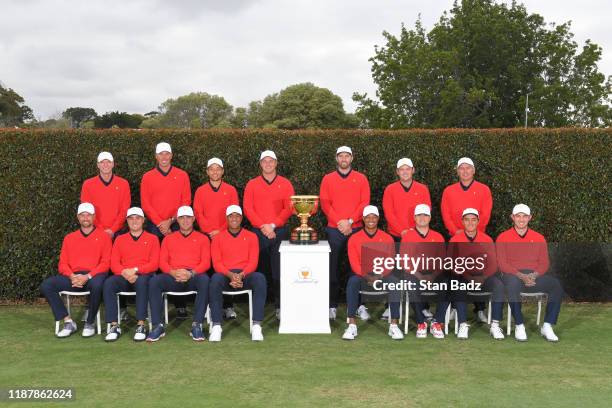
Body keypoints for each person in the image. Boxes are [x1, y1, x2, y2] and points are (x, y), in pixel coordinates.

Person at [40, 203, 111, 338]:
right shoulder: (69, 238)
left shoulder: (104, 237)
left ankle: (90, 322)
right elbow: (63, 264)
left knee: (98, 284)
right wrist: (72, 276)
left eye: (88, 215)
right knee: (47, 285)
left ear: (94, 217)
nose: (85, 218)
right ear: (78, 218)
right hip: (73, 277)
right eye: (82, 215)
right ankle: (68, 321)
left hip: (92, 277)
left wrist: (88, 276)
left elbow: (105, 263)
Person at [496, 204, 563, 342]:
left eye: (525, 216)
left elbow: (544, 263)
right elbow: (502, 264)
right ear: (512, 217)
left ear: (530, 218)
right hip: (513, 276)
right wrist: (521, 276)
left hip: (533, 276)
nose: (521, 219)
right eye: (518, 216)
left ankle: (547, 325)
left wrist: (533, 276)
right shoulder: (503, 237)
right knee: (512, 286)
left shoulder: (539, 238)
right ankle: (519, 325)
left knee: (555, 285)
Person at [140, 142, 192, 318]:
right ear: (156, 156)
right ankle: (155, 307)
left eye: (166, 154)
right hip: (155, 227)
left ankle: (180, 305)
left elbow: (186, 200)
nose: (164, 157)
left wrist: (169, 221)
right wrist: (160, 223)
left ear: (171, 156)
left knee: (178, 262)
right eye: (160, 154)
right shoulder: (147, 177)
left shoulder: (182, 175)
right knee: (155, 265)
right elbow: (145, 204)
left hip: (176, 224)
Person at [320, 146, 370, 320]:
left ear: (351, 158)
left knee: (357, 269)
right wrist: (340, 223)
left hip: (355, 228)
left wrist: (349, 221)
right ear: (336, 158)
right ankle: (331, 305)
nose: (343, 158)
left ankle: (358, 305)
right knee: (332, 269)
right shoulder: (328, 179)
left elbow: (365, 202)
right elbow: (325, 204)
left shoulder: (361, 178)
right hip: (334, 229)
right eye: (340, 155)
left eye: (346, 155)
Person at [146, 206, 211, 342]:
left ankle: (197, 325)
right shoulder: (168, 239)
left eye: (188, 217)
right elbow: (162, 263)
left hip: (193, 276)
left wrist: (190, 273)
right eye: (182, 218)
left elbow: (206, 263)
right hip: (173, 276)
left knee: (205, 280)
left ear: (193, 219)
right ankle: (158, 325)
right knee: (154, 281)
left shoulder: (203, 238)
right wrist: (173, 272)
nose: (185, 221)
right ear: (178, 220)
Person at [243, 150, 294, 318]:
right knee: (260, 272)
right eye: (265, 161)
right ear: (260, 164)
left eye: (271, 161)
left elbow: (289, 208)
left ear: (276, 163)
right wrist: (263, 226)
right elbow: (248, 208)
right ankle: (261, 306)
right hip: (258, 232)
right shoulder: (252, 184)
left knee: (279, 271)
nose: (268, 164)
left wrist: (273, 225)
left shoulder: (285, 183)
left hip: (279, 231)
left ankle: (280, 305)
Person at [441, 157, 493, 323]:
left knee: (478, 271)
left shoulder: (484, 189)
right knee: (456, 272)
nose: (465, 171)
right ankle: (455, 308)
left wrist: (473, 231)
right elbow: (446, 213)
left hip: (477, 238)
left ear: (473, 170)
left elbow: (485, 214)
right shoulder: (449, 190)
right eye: (461, 168)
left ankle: (480, 309)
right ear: (457, 171)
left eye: (468, 168)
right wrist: (457, 232)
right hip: (456, 237)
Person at [382, 157, 432, 320]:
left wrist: (414, 231)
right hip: (396, 236)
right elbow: (389, 213)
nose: (405, 172)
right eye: (401, 169)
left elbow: (426, 211)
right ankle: (391, 307)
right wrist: (402, 231)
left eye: (407, 168)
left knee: (420, 270)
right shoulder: (390, 189)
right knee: (394, 273)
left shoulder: (422, 188)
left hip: (418, 237)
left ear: (413, 170)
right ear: (397, 172)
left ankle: (423, 307)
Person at [342, 205, 402, 340]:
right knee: (352, 282)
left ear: (378, 219)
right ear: (363, 219)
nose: (371, 219)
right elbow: (354, 264)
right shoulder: (354, 238)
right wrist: (367, 276)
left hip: (382, 275)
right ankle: (352, 325)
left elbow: (390, 262)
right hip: (362, 275)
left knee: (395, 283)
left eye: (374, 217)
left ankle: (394, 326)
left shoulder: (387, 238)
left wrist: (379, 275)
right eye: (368, 217)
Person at [209, 205, 266, 342]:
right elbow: (217, 263)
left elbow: (253, 262)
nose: (234, 218)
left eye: (237, 216)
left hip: (245, 275)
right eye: (231, 216)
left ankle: (257, 325)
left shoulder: (252, 236)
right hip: (225, 275)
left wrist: (241, 275)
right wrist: (230, 275)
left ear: (241, 218)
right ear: (227, 219)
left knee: (260, 278)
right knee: (215, 279)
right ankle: (217, 325)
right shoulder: (218, 238)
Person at [103, 207, 160, 342]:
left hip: (144, 275)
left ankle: (141, 325)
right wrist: (124, 272)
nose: (134, 221)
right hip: (124, 275)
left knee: (141, 282)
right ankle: (114, 325)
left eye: (138, 218)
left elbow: (154, 264)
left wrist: (135, 270)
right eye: (131, 218)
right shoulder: (119, 239)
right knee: (109, 283)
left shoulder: (153, 239)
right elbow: (114, 263)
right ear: (127, 221)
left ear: (143, 220)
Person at [448, 208, 505, 340]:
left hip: (484, 278)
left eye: (473, 219)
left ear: (478, 221)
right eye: (467, 220)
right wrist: (469, 277)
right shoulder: (455, 240)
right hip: (465, 278)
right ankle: (462, 324)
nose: (470, 223)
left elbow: (493, 264)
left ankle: (495, 325)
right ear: (462, 221)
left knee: (499, 285)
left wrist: (483, 277)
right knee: (457, 284)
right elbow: (451, 264)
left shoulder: (487, 239)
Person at [193, 157, 240, 319]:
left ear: (222, 171)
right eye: (211, 169)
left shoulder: (231, 190)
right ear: (207, 172)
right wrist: (210, 231)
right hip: (207, 237)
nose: (215, 171)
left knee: (226, 268)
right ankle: (211, 307)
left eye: (218, 168)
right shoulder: (200, 191)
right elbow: (198, 214)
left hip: (225, 235)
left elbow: (234, 214)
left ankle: (228, 306)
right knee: (210, 271)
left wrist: (220, 230)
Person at [400, 204, 447, 339]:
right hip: (415, 273)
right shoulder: (408, 236)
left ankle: (436, 322)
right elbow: (405, 261)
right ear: (414, 217)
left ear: (430, 218)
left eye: (425, 215)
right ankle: (421, 322)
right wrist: (419, 275)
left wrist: (432, 276)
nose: (422, 218)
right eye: (419, 215)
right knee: (410, 283)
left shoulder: (438, 237)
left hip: (433, 274)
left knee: (448, 283)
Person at [80, 151, 131, 239]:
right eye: (102, 162)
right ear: (98, 165)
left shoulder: (123, 183)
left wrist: (113, 229)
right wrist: (101, 229)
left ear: (113, 164)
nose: (105, 165)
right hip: (95, 230)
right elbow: (87, 210)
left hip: (119, 231)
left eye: (108, 162)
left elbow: (125, 209)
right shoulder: (88, 184)